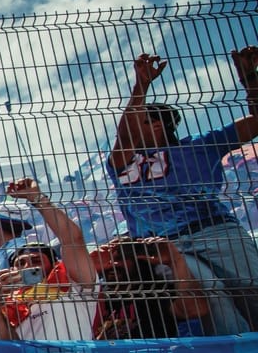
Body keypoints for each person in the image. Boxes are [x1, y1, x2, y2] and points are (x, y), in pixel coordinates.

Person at [107, 48, 258, 335]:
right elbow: (125, 135)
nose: (138, 127)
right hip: (164, 248)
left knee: (254, 295)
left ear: (163, 125)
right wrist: (142, 85)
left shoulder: (200, 145)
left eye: (146, 120)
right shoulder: (121, 162)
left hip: (216, 232)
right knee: (214, 305)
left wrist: (250, 77)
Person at [0, 178, 98, 341]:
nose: (27, 267)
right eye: (21, 263)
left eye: (36, 261)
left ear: (54, 265)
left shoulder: (74, 287)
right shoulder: (12, 304)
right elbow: (5, 347)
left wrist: (36, 198)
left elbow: (72, 240)